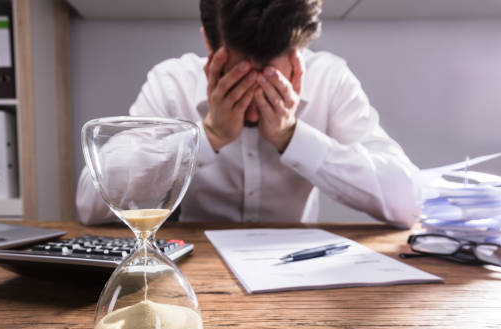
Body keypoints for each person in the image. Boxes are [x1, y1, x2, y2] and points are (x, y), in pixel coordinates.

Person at [76, 0, 422, 228]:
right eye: (240, 75)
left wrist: (293, 137)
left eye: (273, 77)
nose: (256, 94)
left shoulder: (330, 80)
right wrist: (206, 136)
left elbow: (408, 203)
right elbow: (90, 203)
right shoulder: (172, 84)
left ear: (300, 55)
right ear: (210, 46)